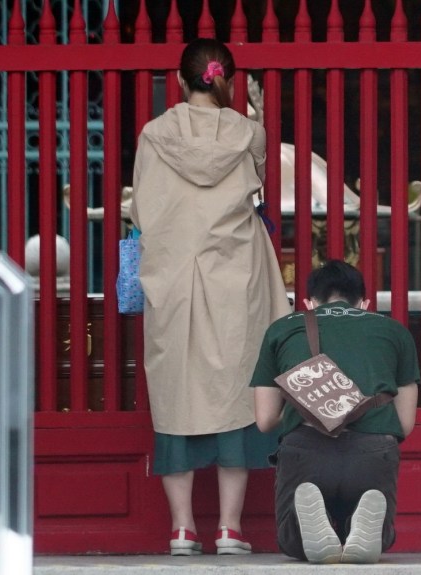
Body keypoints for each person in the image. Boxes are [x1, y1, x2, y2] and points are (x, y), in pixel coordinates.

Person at [130, 38, 290, 556]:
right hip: (235, 278)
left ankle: (182, 529)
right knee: (234, 390)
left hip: (175, 277)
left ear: (180, 80)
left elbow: (142, 211)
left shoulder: (154, 135)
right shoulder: (248, 133)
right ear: (226, 80)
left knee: (176, 391)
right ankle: (229, 528)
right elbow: (257, 186)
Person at [250, 260, 420, 564]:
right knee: (380, 534)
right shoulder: (394, 331)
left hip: (306, 449)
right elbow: (404, 424)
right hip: (373, 451)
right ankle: (363, 526)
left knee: (291, 540)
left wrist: (309, 407)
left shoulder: (281, 329)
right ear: (365, 303)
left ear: (308, 303)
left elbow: (265, 420)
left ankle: (308, 525)